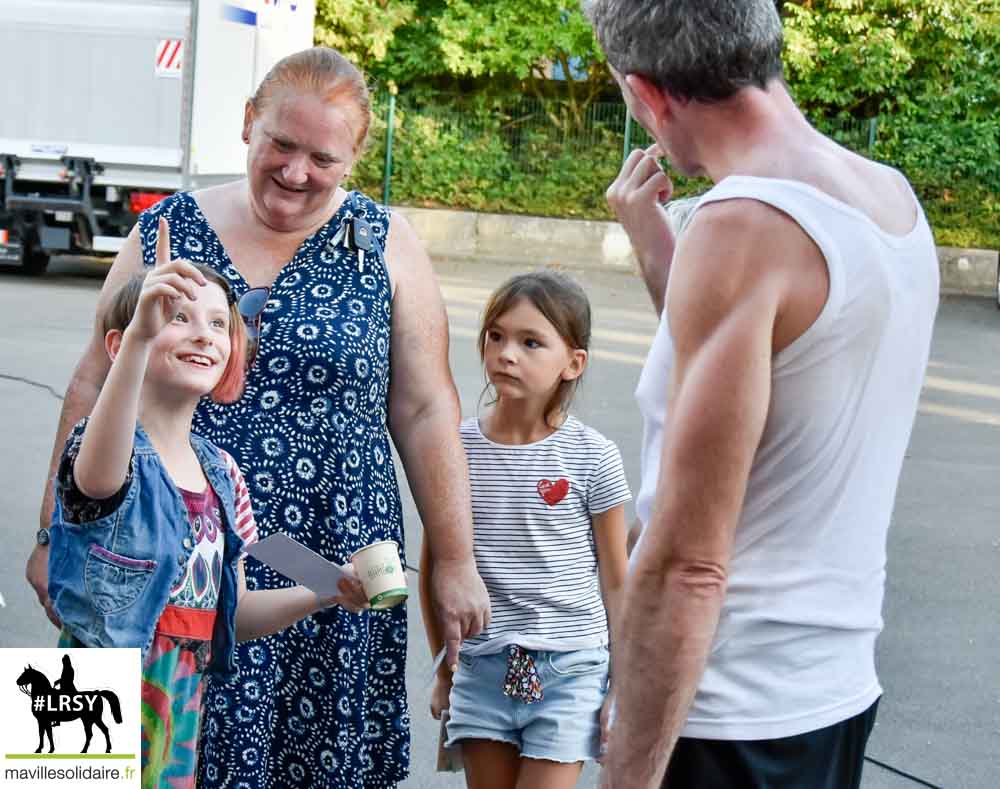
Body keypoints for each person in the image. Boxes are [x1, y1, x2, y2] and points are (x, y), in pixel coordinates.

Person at [26, 46, 489, 788]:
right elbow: (96, 374)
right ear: (248, 124)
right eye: (281, 143)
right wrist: (54, 533)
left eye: (323, 157)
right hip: (171, 547)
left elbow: (427, 404)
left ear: (355, 157)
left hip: (334, 555)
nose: (297, 171)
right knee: (123, 760)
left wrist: (457, 560)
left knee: (314, 760)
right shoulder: (166, 231)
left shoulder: (384, 242)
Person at [585, 1, 940, 787]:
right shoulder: (890, 199)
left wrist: (628, 774)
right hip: (832, 689)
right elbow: (777, 385)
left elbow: (687, 565)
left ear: (648, 93)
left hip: (727, 711)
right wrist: (658, 247)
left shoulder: (742, 225)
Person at [48, 232, 369, 785]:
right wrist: (141, 340)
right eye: (179, 316)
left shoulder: (222, 472)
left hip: (177, 704)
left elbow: (233, 612)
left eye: (219, 323)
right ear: (120, 344)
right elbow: (99, 478)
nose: (204, 333)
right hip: (84, 694)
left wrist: (326, 589)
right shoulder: (101, 444)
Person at [421, 271, 631, 789]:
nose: (506, 353)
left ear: (572, 363)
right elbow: (435, 567)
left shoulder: (594, 457)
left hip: (571, 670)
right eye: (496, 336)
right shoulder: (454, 450)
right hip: (481, 666)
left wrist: (623, 687)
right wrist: (444, 664)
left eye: (530, 342)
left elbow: (618, 582)